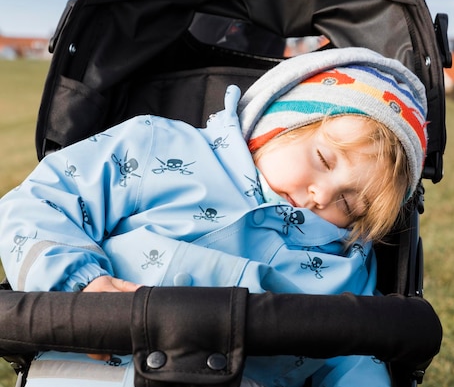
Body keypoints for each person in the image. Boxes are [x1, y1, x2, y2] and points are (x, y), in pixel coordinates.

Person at [0, 47, 428, 387]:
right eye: (322, 159)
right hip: (94, 371)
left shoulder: (346, 267)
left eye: (350, 205)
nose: (321, 196)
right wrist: (79, 284)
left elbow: (354, 356)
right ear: (275, 125)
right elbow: (41, 202)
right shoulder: (156, 145)